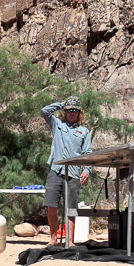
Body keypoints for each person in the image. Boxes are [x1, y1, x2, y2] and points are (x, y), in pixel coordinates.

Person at [41, 96, 92, 246]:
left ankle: (69, 241)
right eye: (69, 110)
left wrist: (87, 170)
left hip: (74, 173)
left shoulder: (83, 131)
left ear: (79, 113)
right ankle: (53, 239)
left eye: (74, 110)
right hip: (56, 170)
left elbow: (87, 152)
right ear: (65, 112)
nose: (71, 113)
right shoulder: (57, 124)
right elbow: (44, 111)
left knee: (71, 208)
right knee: (51, 205)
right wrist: (62, 103)